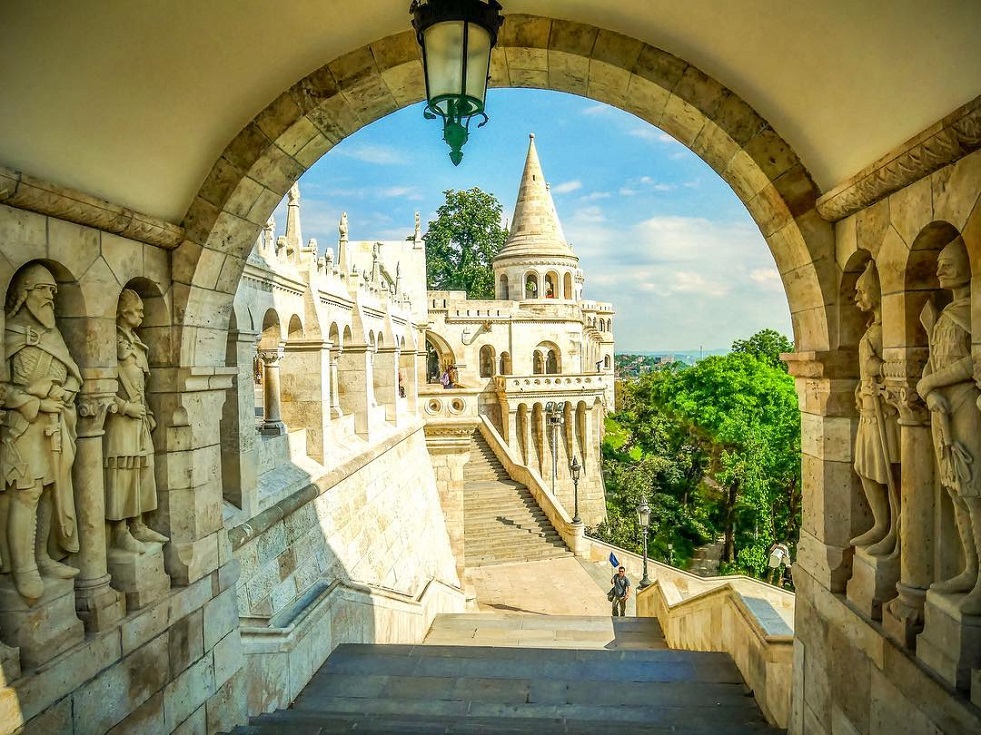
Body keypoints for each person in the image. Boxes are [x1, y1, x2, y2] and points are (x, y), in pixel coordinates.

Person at [1, 264, 82, 601]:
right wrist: (35, 402)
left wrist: (64, 391)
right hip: (23, 429)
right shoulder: (9, 332)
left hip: (54, 426)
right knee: (26, 493)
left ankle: (42, 556)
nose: (52, 296)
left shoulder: (53, 334)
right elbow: (3, 390)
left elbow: (73, 374)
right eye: (45, 289)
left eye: (54, 291)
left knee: (50, 489)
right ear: (26, 291)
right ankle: (23, 567)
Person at [917, 235, 981, 614]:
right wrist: (928, 392)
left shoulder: (972, 313)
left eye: (948, 262)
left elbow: (971, 364)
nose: (939, 270)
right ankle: (970, 569)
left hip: (966, 409)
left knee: (974, 492)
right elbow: (932, 364)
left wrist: (930, 384)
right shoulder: (944, 317)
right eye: (938, 263)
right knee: (956, 491)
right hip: (944, 412)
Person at [104, 289, 169, 554]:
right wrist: (126, 407)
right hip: (120, 423)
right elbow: (99, 389)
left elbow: (142, 385)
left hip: (140, 421)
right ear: (122, 310)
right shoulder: (108, 340)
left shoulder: (137, 343)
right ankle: (120, 531)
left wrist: (148, 412)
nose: (142, 313)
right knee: (121, 474)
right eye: (137, 309)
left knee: (143, 471)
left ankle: (138, 524)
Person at [850, 261, 900, 556]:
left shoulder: (887, 330)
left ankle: (893, 528)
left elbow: (880, 365)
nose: (857, 299)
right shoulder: (874, 329)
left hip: (886, 413)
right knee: (864, 468)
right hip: (869, 409)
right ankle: (882, 523)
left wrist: (876, 367)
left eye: (861, 292)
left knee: (889, 473)